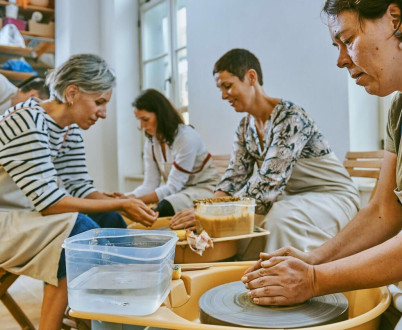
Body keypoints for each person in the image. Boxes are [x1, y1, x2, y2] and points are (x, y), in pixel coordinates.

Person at [242, 1, 402, 329]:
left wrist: (312, 279)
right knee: (371, 297)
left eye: (348, 40)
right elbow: (382, 211)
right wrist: (313, 258)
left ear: (397, 19)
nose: (340, 60)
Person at [0, 54, 157, 330]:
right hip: (6, 219)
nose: (104, 112)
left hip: (24, 217)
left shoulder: (67, 130)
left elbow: (80, 187)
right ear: (72, 93)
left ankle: (110, 316)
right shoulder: (27, 120)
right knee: (77, 228)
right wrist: (117, 204)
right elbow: (50, 203)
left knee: (110, 223)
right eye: (99, 102)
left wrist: (120, 201)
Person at [173, 48, 359, 256]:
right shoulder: (245, 128)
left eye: (228, 86)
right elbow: (233, 178)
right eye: (221, 89)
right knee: (247, 226)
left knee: (280, 218)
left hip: (332, 198)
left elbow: (268, 185)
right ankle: (237, 281)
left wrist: (210, 213)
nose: (224, 95)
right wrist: (206, 212)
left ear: (251, 77)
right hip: (294, 200)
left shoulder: (291, 118)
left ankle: (277, 285)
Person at [112, 89, 219, 220]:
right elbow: (150, 184)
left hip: (204, 189)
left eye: (145, 119)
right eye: (139, 120)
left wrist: (129, 203)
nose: (141, 126)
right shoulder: (151, 143)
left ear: (161, 115)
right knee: (116, 210)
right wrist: (126, 198)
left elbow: (173, 186)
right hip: (180, 191)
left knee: (165, 206)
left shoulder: (187, 138)